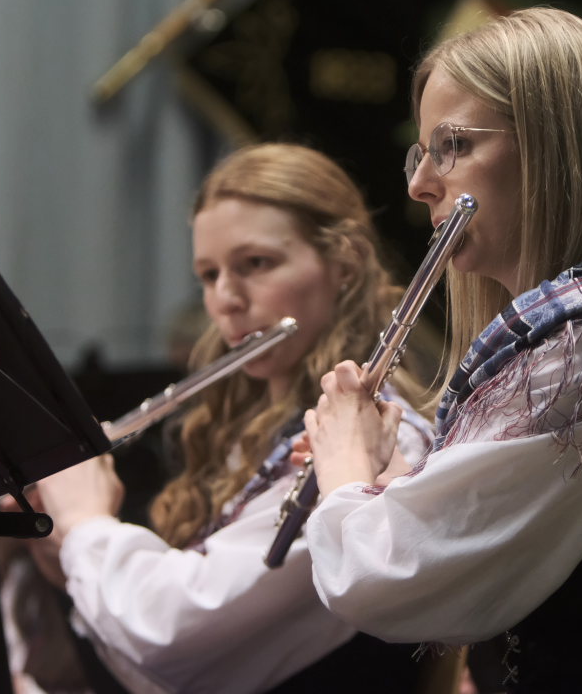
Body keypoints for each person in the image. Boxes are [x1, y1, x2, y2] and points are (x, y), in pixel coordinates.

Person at [300, 8, 582, 693]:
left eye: (454, 144)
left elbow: (380, 580)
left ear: (554, 148)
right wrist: (384, 472)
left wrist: (340, 464)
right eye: (420, 152)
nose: (419, 184)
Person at [24, 143, 434, 693]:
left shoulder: (377, 444)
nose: (225, 299)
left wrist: (84, 523)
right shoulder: (247, 434)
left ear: (344, 263)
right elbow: (152, 672)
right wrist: (61, 553)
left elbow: (172, 636)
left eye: (255, 264)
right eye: (208, 274)